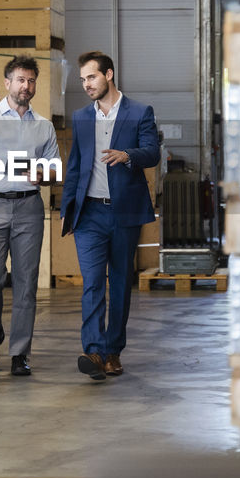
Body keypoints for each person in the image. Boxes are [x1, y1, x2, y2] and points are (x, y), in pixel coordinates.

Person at [60, 51, 160, 381]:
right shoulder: (81, 117)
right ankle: (93, 350)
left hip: (123, 213)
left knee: (118, 284)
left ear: (109, 75)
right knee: (92, 283)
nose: (86, 84)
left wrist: (127, 155)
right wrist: (67, 210)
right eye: (83, 80)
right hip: (89, 213)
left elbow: (152, 152)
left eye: (91, 77)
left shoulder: (139, 112)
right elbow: (76, 164)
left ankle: (113, 351)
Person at [0, 54, 60, 377]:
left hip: (28, 208)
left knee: (26, 283)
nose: (26, 86)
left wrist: (43, 175)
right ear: (7, 83)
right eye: (20, 80)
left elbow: (54, 168)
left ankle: (20, 353)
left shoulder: (43, 126)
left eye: (31, 80)